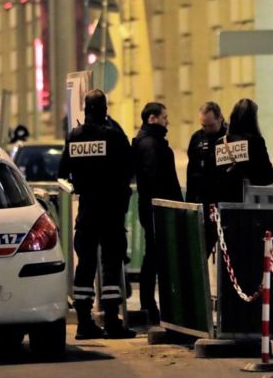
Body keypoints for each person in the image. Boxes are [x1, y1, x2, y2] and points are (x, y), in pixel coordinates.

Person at [57, 89, 137, 339]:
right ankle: (112, 322)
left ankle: (84, 323)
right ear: (105, 109)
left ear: (85, 109)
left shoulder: (75, 137)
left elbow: (62, 173)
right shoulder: (113, 135)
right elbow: (129, 167)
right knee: (111, 264)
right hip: (111, 210)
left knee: (85, 265)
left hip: (87, 210)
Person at [131, 102, 182, 325]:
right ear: (152, 118)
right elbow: (156, 179)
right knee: (155, 255)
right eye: (164, 117)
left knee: (154, 254)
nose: (167, 121)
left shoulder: (149, 141)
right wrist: (167, 206)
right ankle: (150, 305)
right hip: (157, 208)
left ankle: (149, 304)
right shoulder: (150, 144)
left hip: (153, 206)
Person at [213, 99, 273, 204]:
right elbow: (268, 176)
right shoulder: (255, 142)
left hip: (224, 204)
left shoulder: (220, 143)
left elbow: (215, 176)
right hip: (249, 204)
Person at [185, 101, 227, 206]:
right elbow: (191, 171)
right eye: (204, 126)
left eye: (211, 125)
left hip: (224, 198)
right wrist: (189, 202)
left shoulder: (231, 137)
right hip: (202, 198)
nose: (207, 129)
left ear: (220, 118)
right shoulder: (196, 138)